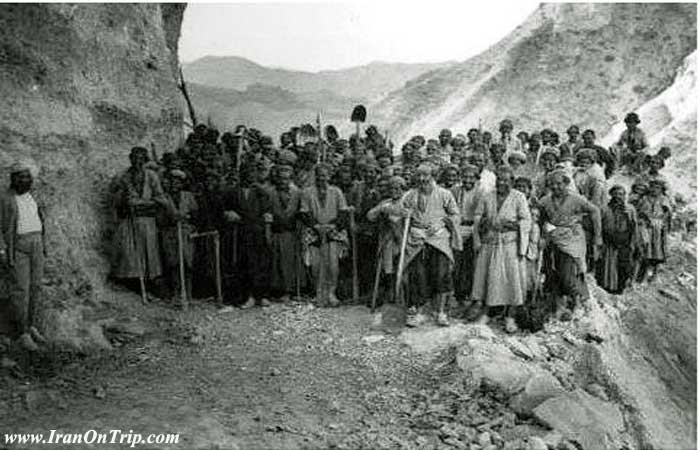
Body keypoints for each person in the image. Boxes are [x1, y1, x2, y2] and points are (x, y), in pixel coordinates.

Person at [470, 166, 531, 333]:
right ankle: (487, 312)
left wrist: (511, 225)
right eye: (500, 180)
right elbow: (478, 215)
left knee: (511, 279)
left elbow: (526, 221)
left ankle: (510, 317)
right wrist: (484, 223)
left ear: (512, 181)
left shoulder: (519, 197)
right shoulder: (487, 196)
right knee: (488, 278)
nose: (502, 183)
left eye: (506, 180)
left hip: (510, 244)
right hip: (491, 242)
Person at [400, 164, 460, 327]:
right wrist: (404, 214)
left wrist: (442, 223)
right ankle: (415, 311)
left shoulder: (444, 194)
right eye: (419, 175)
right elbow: (400, 210)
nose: (422, 179)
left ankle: (441, 312)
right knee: (417, 274)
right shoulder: (410, 195)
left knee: (441, 274)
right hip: (417, 239)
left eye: (426, 175)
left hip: (438, 238)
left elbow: (455, 214)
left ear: (433, 176)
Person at [539, 169, 602, 321]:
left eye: (559, 183)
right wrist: (543, 234)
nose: (556, 187)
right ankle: (559, 305)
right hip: (553, 238)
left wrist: (597, 236)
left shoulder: (576, 199)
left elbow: (595, 211)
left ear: (566, 183)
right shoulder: (545, 201)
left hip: (572, 239)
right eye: (552, 184)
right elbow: (540, 217)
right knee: (552, 272)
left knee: (568, 274)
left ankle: (580, 301)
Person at [0, 159, 47, 351]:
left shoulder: (32, 196)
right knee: (21, 290)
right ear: (13, 179)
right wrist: (2, 250)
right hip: (18, 246)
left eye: (27, 177)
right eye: (20, 177)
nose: (25, 180)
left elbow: (41, 220)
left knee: (36, 287)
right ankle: (21, 333)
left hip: (36, 243)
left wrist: (44, 245)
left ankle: (30, 325)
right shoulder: (5, 198)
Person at [111, 146, 167, 295]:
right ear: (130, 159)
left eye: (141, 159)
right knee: (131, 251)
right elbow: (115, 197)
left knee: (149, 250)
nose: (137, 161)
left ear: (144, 160)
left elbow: (160, 196)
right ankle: (133, 281)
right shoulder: (124, 177)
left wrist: (145, 203)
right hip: (130, 220)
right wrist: (123, 200)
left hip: (147, 219)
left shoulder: (151, 176)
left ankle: (150, 282)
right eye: (135, 158)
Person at [299, 164, 350, 306]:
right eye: (319, 175)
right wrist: (315, 226)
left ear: (329, 176)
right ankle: (318, 293)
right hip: (314, 232)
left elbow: (343, 212)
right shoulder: (307, 192)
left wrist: (332, 226)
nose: (322, 178)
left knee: (333, 265)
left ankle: (331, 293)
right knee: (315, 265)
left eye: (325, 175)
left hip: (332, 232)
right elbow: (304, 212)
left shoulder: (336, 191)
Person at [228, 162, 273, 308]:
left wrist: (267, 217)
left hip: (258, 232)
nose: (250, 175)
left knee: (261, 263)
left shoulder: (261, 192)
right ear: (241, 174)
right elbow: (225, 208)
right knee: (244, 264)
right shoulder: (233, 192)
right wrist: (228, 213)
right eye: (247, 172)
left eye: (253, 172)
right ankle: (248, 296)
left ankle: (262, 295)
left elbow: (267, 209)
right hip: (241, 233)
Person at [366, 176, 407, 305]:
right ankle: (389, 293)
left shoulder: (407, 200)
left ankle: (402, 296)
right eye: (391, 188)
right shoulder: (386, 202)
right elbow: (370, 216)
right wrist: (381, 209)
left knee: (404, 267)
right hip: (388, 240)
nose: (394, 191)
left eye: (397, 188)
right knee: (387, 267)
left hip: (405, 240)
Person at [160, 169, 197, 307]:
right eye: (172, 181)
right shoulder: (164, 198)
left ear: (182, 183)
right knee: (173, 263)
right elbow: (160, 218)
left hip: (186, 232)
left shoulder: (188, 196)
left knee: (187, 263)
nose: (175, 184)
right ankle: (176, 293)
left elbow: (195, 214)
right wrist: (171, 219)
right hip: (170, 233)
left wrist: (188, 220)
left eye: (178, 182)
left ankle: (188, 294)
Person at [269, 159, 302, 303]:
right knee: (276, 261)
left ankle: (290, 290)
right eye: (281, 178)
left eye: (286, 178)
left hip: (291, 231)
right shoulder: (270, 192)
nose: (283, 181)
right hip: (275, 230)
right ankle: (277, 290)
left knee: (290, 261)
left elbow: (301, 212)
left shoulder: (297, 192)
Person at [595, 185, 637, 294]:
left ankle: (620, 289)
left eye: (621, 194)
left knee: (622, 266)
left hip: (624, 242)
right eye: (616, 194)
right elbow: (599, 226)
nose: (618, 197)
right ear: (611, 194)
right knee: (606, 266)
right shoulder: (604, 209)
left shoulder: (630, 209)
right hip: (608, 241)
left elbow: (634, 226)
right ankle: (606, 288)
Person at [451, 164, 481, 306]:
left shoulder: (481, 192)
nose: (468, 180)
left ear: (476, 179)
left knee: (469, 264)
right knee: (456, 263)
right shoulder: (455, 191)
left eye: (471, 177)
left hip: (473, 228)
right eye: (465, 177)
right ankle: (456, 294)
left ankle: (467, 294)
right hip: (457, 228)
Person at [636, 178, 672, 282]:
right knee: (646, 250)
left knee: (657, 251)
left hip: (658, 228)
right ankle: (641, 275)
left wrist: (661, 221)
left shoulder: (663, 199)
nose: (654, 190)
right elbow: (640, 211)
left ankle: (654, 274)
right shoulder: (644, 198)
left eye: (657, 188)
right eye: (652, 187)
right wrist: (646, 218)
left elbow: (667, 213)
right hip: (646, 227)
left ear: (661, 189)